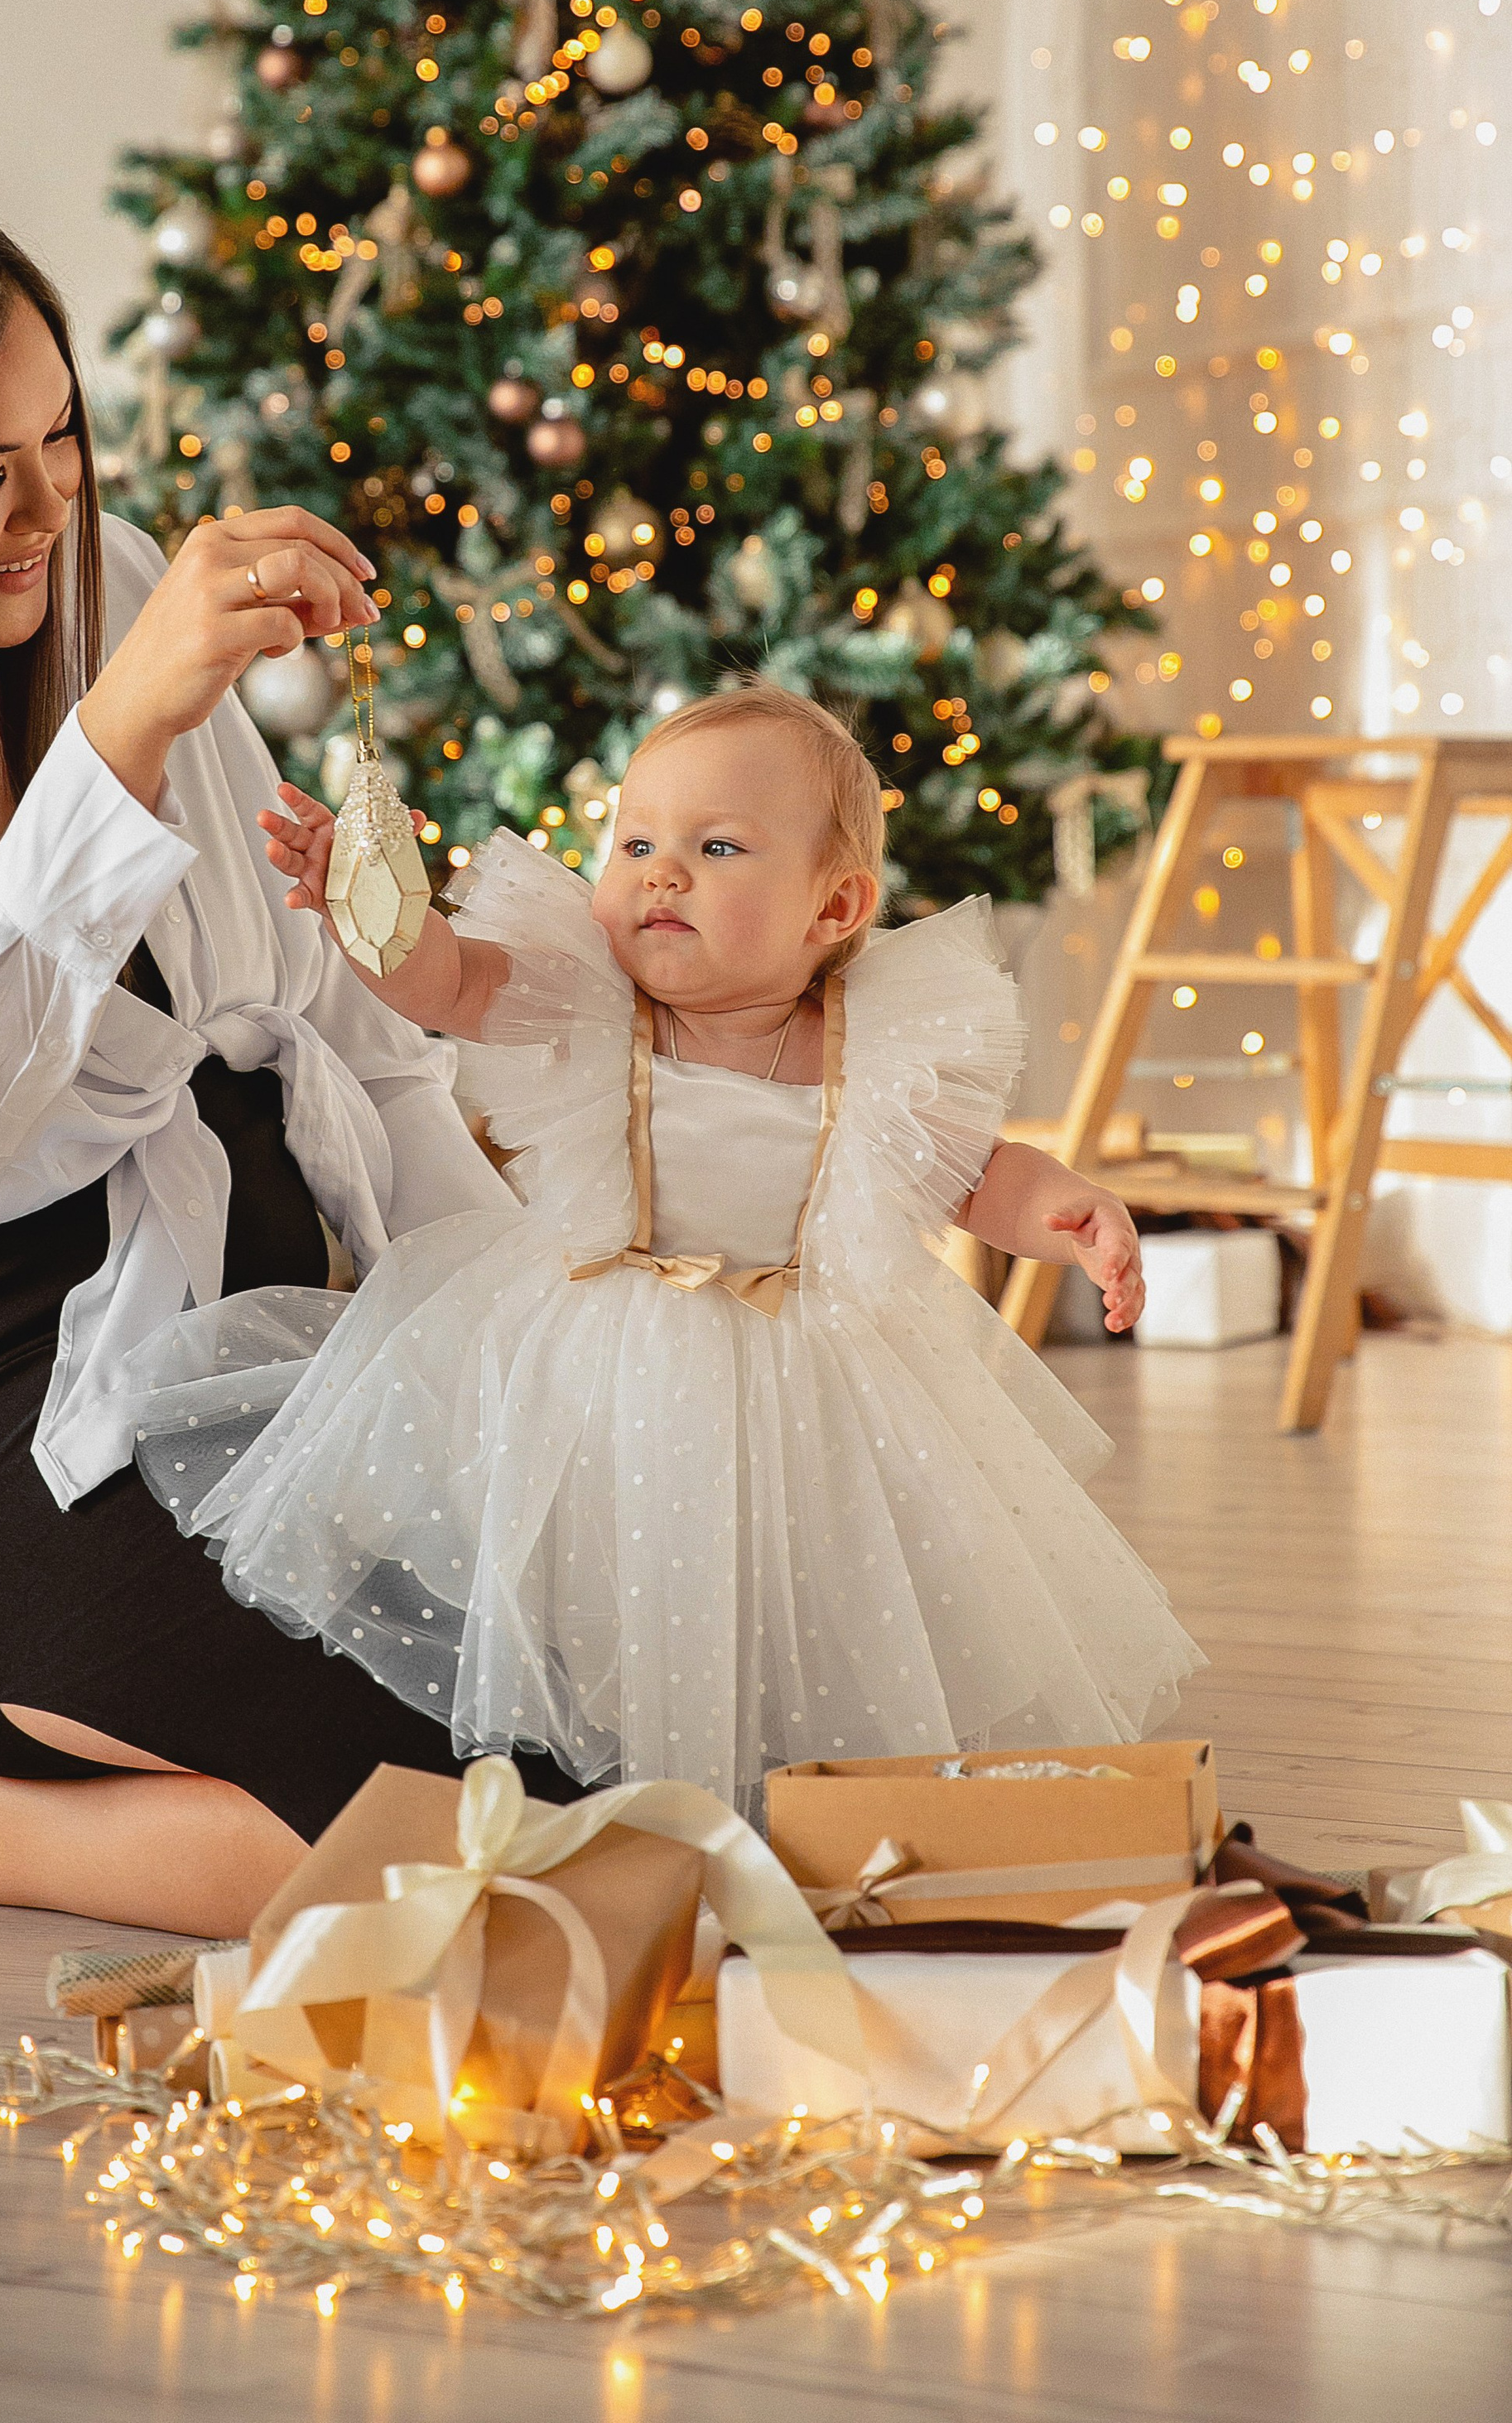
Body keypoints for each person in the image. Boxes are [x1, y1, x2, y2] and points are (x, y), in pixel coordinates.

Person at [0, 167, 579, 1941]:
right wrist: (120, 729)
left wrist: (521, 1346)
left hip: (246, 1357)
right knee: (470, 1854)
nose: (42, 512)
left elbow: (356, 1052)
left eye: (61, 440)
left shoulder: (105, 579)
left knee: (607, 1757)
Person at [128, 683, 1205, 1815]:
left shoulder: (868, 1049)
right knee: (615, 1564)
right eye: (636, 841)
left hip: (808, 1365)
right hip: (601, 1349)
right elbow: (445, 984)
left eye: (718, 846)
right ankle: (599, 1763)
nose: (661, 872)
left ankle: (801, 1774)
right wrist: (370, 912)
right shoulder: (596, 1002)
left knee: (814, 1574)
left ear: (834, 906)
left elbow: (975, 1169)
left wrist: (1069, 1211)